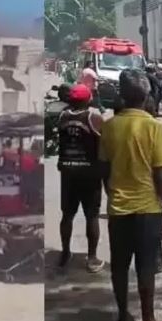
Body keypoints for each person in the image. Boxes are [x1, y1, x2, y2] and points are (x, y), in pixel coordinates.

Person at [99, 69, 162, 321]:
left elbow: (104, 169)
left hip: (119, 209)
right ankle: (148, 316)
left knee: (119, 267)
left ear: (122, 95)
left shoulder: (109, 127)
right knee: (146, 268)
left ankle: (122, 313)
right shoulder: (155, 127)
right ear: (147, 96)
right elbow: (161, 174)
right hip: (148, 210)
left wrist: (111, 193)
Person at [57, 84, 105, 273]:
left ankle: (65, 253)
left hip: (68, 173)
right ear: (87, 99)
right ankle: (92, 257)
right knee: (91, 216)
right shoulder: (92, 116)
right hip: (89, 173)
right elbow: (104, 140)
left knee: (67, 215)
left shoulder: (62, 116)